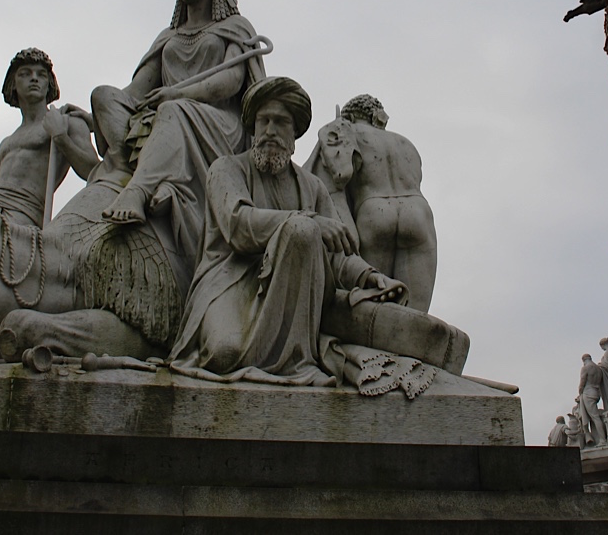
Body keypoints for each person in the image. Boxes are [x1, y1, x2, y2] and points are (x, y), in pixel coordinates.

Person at [168, 77, 405, 386]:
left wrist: (370, 277)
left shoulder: (313, 187)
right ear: (252, 128)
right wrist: (307, 221)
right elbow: (238, 224)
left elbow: (337, 253)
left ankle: (295, 356)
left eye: (280, 123)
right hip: (230, 282)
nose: (269, 131)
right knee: (223, 355)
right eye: (263, 121)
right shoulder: (226, 169)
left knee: (302, 231)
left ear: (295, 134)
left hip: (291, 295)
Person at [90, 0, 267, 268]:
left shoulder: (236, 27)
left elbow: (229, 82)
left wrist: (177, 94)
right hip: (164, 113)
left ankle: (139, 190)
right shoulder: (168, 36)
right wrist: (94, 114)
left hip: (217, 122)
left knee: (174, 111)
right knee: (103, 94)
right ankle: (130, 168)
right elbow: (137, 90)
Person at [305, 94, 438, 312]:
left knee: (375, 308)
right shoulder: (405, 143)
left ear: (349, 116)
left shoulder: (344, 132)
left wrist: (347, 238)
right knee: (414, 315)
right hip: (418, 213)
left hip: (374, 212)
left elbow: (333, 183)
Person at [0, 47, 99, 228]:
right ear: (13, 83)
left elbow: (94, 171)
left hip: (23, 217)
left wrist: (61, 137)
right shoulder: (6, 142)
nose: (34, 78)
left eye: (41, 75)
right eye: (25, 74)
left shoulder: (67, 122)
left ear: (49, 84)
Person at [577, 353, 608, 446]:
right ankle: (597, 437)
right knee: (594, 417)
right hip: (596, 392)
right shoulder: (598, 368)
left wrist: (580, 392)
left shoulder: (585, 368)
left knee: (595, 417)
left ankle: (603, 440)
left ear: (583, 360)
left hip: (588, 392)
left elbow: (582, 381)